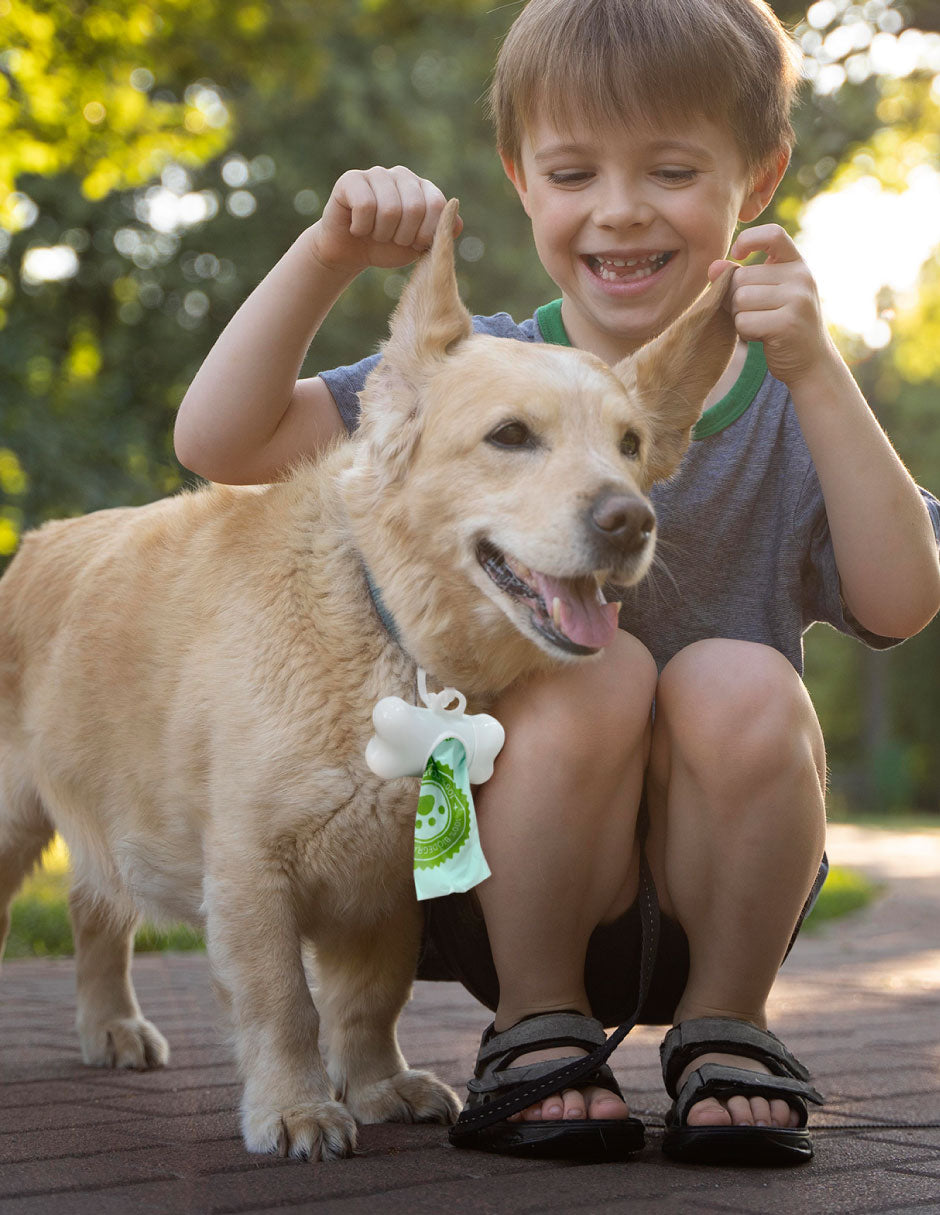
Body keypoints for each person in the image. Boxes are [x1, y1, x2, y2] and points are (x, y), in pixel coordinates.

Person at [174, 0, 940, 1165]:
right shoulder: (474, 370)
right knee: (589, 671)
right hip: (492, 889)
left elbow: (901, 600)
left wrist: (820, 371)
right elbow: (219, 444)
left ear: (760, 175)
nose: (621, 207)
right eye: (574, 169)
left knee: (737, 679)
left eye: (673, 168)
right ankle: (533, 1027)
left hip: (718, 895)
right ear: (520, 180)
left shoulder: (792, 399)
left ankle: (730, 1028)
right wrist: (327, 250)